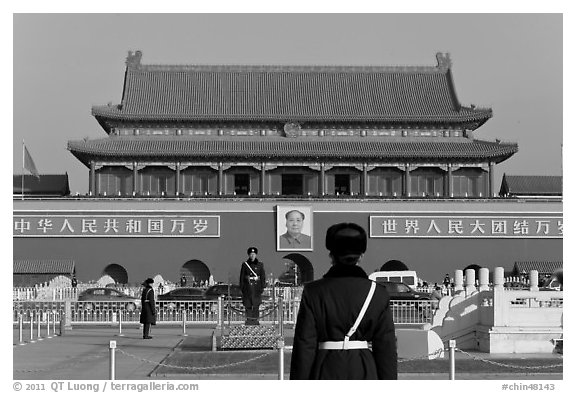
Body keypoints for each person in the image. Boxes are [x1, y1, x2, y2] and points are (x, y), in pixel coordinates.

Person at [290, 223, 397, 380]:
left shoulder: (314, 292)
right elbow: (385, 348)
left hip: (325, 368)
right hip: (364, 369)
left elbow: (304, 345)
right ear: (361, 256)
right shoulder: (377, 293)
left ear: (331, 256)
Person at [239, 247, 266, 325]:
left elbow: (263, 276)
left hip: (256, 288)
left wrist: (262, 287)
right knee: (248, 305)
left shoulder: (260, 264)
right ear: (249, 255)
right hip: (248, 288)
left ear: (256, 255)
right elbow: (241, 277)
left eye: (254, 254)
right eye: (251, 254)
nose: (252, 256)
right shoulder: (245, 265)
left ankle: (255, 320)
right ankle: (249, 321)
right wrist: (242, 288)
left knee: (256, 305)